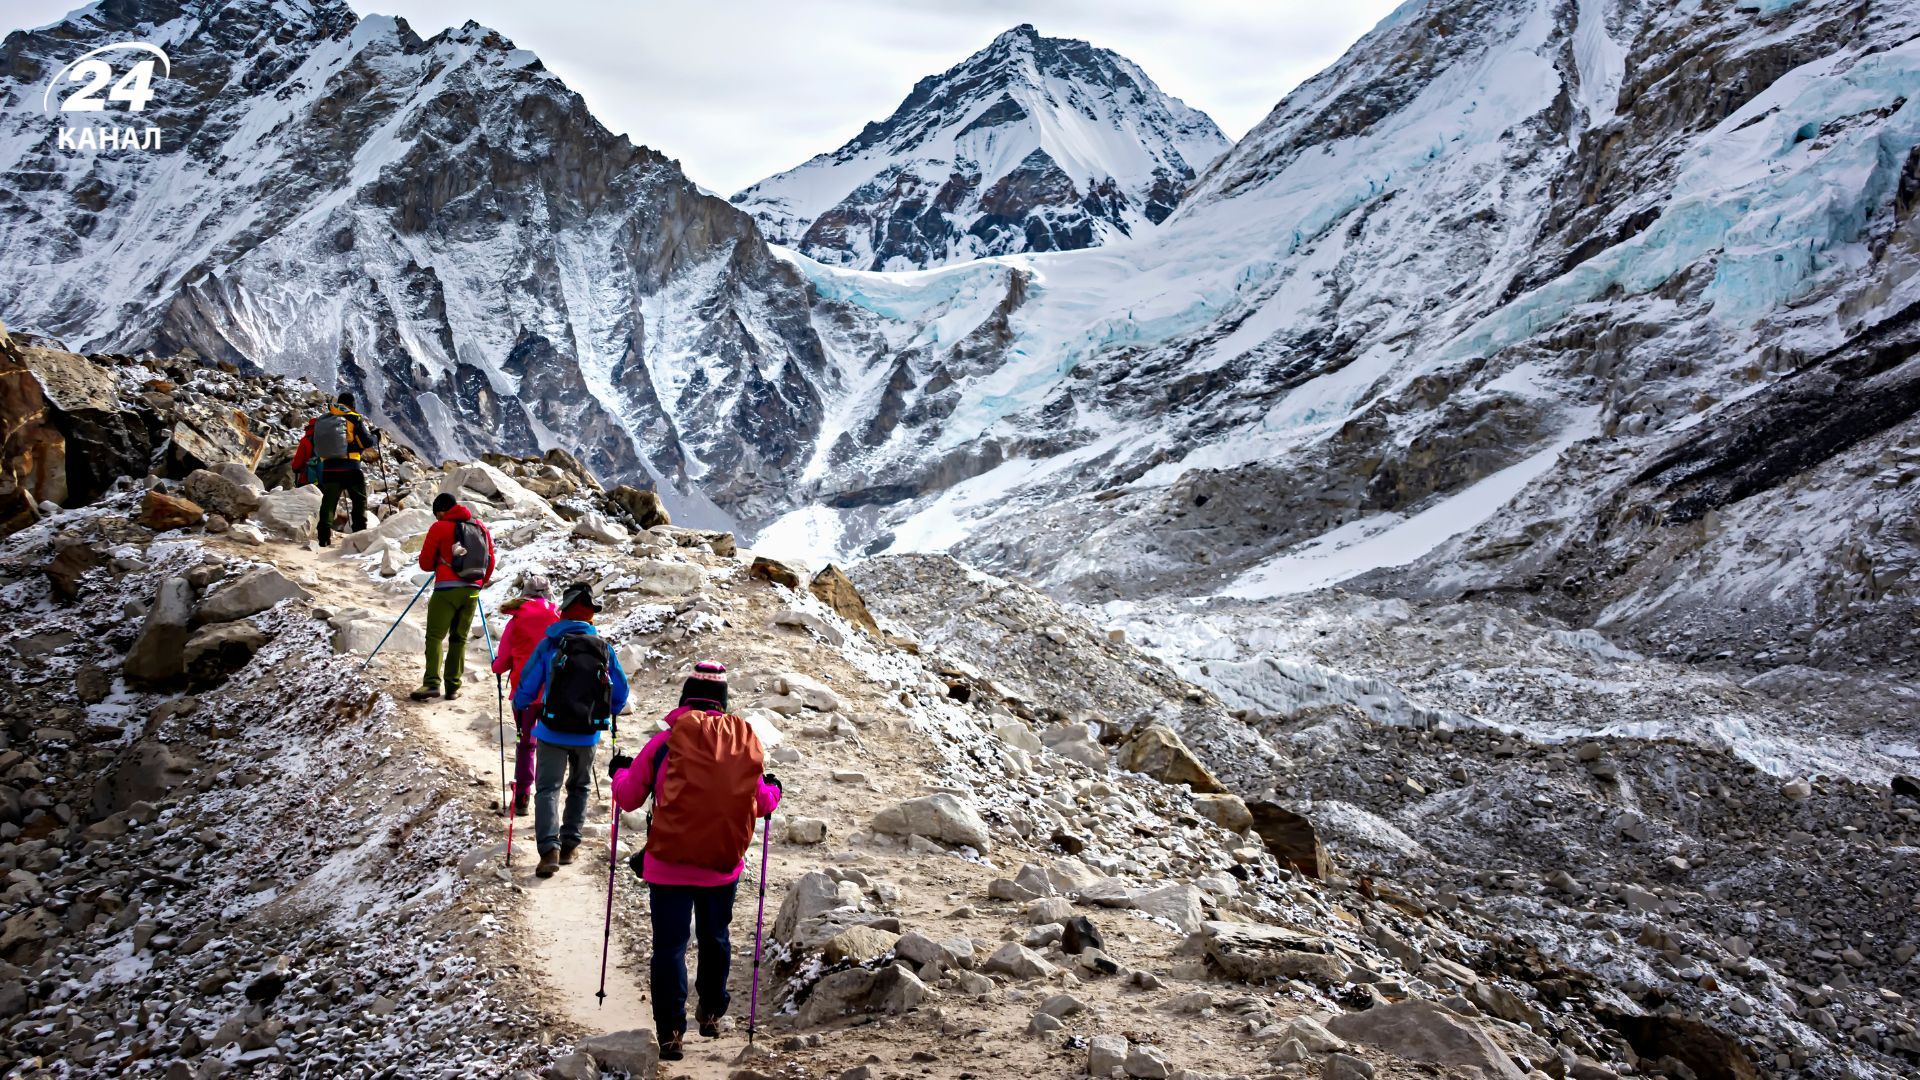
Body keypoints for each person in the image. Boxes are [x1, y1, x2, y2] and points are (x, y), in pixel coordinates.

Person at [608, 661, 781, 1062]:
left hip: (668, 863)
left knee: (669, 946)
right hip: (722, 863)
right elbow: (760, 803)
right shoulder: (743, 744)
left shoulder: (665, 742)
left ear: (685, 698)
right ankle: (712, 1010)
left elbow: (630, 796)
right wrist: (775, 790)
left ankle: (670, 1032)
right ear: (723, 702)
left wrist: (619, 772)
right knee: (715, 937)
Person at [511, 582, 629, 877]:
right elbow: (621, 692)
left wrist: (523, 704)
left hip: (551, 729)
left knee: (547, 789)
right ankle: (570, 845)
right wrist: (608, 711)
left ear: (562, 614)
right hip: (588, 731)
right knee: (580, 786)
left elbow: (528, 684)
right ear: (590, 617)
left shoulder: (550, 644)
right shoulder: (603, 647)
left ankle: (548, 850)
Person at [410, 492, 496, 702]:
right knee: (459, 639)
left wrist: (442, 562)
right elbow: (490, 560)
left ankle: (431, 683)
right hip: (472, 591)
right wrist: (479, 582)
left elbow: (425, 563)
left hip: (446, 589)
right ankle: (453, 687)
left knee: (435, 637)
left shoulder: (440, 527)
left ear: (440, 512)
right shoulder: (479, 527)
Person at [491, 574, 559, 816]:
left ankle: (522, 796)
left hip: (525, 694)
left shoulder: (516, 620)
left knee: (526, 745)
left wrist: (496, 664)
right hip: (556, 693)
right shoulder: (560, 617)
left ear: (525, 594)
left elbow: (501, 665)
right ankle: (549, 798)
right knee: (552, 744)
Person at [290, 393, 381, 547]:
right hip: (351, 467)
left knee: (329, 503)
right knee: (359, 501)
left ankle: (323, 537)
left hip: (329, 468)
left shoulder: (325, 419)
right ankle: (359, 535)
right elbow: (365, 441)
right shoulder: (353, 418)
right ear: (352, 404)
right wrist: (375, 437)